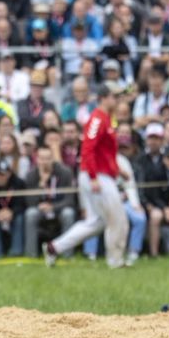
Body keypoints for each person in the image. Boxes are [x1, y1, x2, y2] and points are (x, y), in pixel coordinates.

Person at [44, 84, 129, 269]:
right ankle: (115, 261)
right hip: (97, 176)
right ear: (104, 98)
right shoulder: (97, 119)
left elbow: (104, 152)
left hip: (101, 174)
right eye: (114, 97)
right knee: (117, 219)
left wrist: (117, 169)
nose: (116, 100)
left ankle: (54, 247)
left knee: (96, 223)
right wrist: (93, 177)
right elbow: (88, 148)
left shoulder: (106, 119)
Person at [23, 145, 76, 257]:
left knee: (69, 213)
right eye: (41, 158)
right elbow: (29, 201)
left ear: (53, 158)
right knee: (30, 213)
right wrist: (41, 185)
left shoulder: (65, 172)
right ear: (37, 159)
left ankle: (67, 254)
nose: (44, 162)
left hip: (59, 208)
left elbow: (70, 200)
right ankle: (31, 254)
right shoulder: (31, 175)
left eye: (48, 158)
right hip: (40, 209)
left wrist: (53, 207)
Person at [0, 158, 27, 257]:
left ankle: (17, 251)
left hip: (13, 212)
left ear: (9, 174)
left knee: (19, 218)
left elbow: (22, 203)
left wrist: (12, 212)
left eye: (2, 174)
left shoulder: (18, 183)